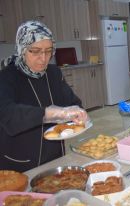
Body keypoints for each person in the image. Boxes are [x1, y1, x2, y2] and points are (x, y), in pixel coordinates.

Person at [0, 21, 88, 172]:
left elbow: (72, 102)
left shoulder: (53, 73)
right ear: (22, 49)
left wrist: (77, 111)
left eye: (48, 51)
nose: (43, 58)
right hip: (20, 161)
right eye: (35, 51)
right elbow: (8, 115)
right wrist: (46, 114)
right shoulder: (7, 76)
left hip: (54, 155)